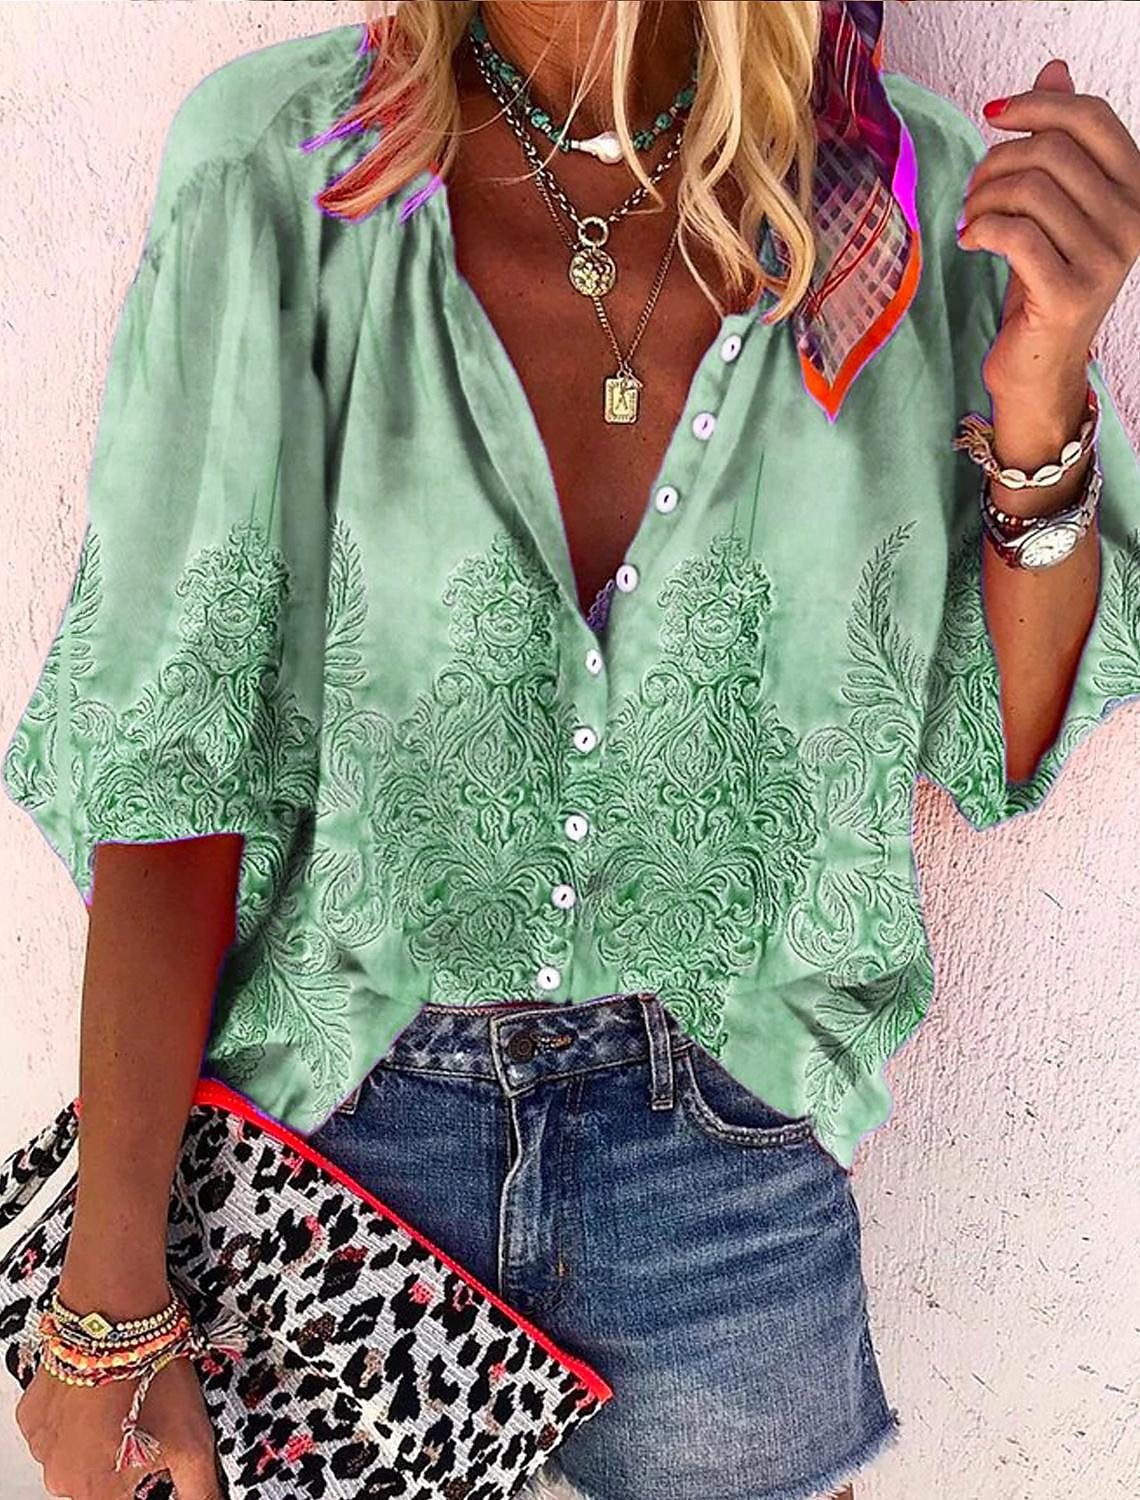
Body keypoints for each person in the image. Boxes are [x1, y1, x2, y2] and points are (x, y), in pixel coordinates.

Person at [6, 2, 1140, 1497]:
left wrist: (1044, 381)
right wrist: (106, 1296)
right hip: (337, 1148)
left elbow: (1006, 731)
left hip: (724, 1172)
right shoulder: (282, 169)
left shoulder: (904, 198)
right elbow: (173, 762)